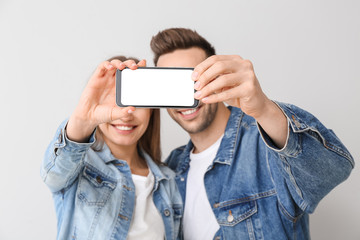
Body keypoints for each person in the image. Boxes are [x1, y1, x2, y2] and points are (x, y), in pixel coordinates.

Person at [150, 28, 354, 240]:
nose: (186, 98)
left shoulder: (266, 142)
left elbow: (333, 170)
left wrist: (264, 109)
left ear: (216, 78)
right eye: (172, 86)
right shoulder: (172, 166)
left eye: (193, 82)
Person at [40, 56, 183, 240]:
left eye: (137, 101)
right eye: (116, 100)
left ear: (151, 110)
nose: (126, 114)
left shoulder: (167, 180)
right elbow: (54, 173)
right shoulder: (80, 167)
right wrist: (83, 118)